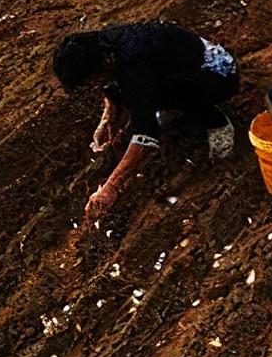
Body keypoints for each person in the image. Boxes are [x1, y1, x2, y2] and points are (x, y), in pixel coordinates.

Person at [52, 21, 240, 219]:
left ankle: (217, 122)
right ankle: (158, 105)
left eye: (91, 79)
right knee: (121, 89)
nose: (93, 85)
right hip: (168, 68)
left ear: (103, 63)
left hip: (218, 73)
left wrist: (111, 187)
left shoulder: (134, 63)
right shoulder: (102, 46)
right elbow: (108, 84)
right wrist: (108, 117)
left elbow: (146, 135)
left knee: (174, 95)